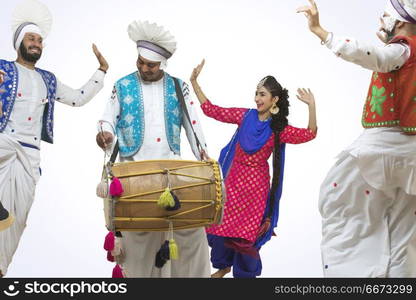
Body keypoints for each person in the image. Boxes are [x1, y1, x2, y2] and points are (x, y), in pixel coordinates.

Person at [297, 0, 416, 277]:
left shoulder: (401, 49)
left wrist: (321, 32)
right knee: (403, 230)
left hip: (382, 147)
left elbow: (375, 55)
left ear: (398, 23)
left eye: (384, 17)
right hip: (412, 157)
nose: (380, 22)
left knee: (338, 200)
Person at [0, 0, 108, 277]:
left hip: (29, 154)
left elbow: (78, 98)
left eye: (39, 39)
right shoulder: (2, 68)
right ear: (18, 43)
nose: (36, 43)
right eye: (30, 38)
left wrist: (101, 72)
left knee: (17, 219)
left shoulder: (48, 79)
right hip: (2, 142)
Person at [96, 20, 211, 278]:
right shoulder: (122, 85)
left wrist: (203, 156)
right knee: (138, 244)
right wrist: (104, 134)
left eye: (151, 65)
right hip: (133, 176)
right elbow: (106, 118)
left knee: (189, 235)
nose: (144, 68)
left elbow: (193, 125)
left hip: (172, 177)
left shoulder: (178, 87)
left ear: (163, 64)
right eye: (140, 62)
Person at [190, 59, 317, 278]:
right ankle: (223, 266)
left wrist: (312, 105)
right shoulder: (244, 116)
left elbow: (309, 134)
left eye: (262, 95)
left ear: (274, 99)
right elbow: (212, 110)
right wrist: (194, 83)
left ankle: (244, 276)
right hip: (232, 185)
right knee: (220, 228)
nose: (257, 99)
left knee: (246, 237)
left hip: (255, 192)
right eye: (256, 93)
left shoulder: (279, 129)